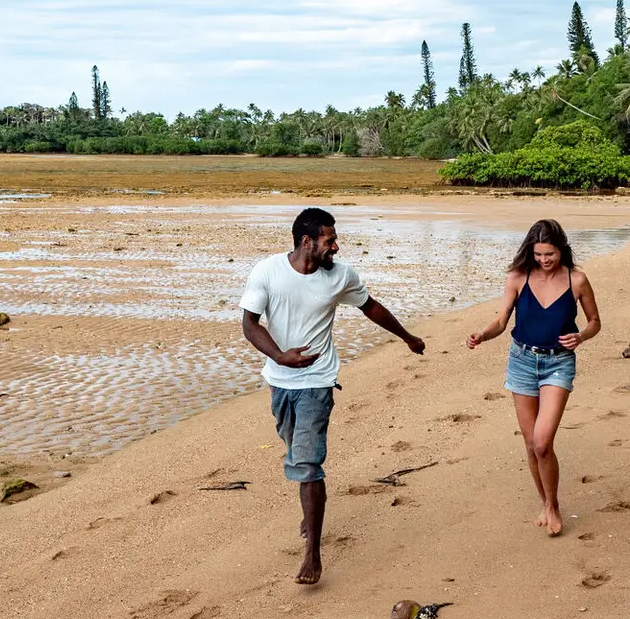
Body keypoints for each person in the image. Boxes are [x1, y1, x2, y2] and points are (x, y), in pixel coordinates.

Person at [240, 207, 424, 584]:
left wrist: (406, 337)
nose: (336, 247)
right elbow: (249, 323)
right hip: (279, 381)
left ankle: (313, 553)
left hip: (318, 382)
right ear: (307, 242)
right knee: (294, 452)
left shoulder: (340, 276)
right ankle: (310, 514)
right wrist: (280, 356)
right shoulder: (267, 272)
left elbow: (370, 306)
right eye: (329, 240)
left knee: (307, 462)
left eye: (334, 239)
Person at [466, 218, 601, 536]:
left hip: (558, 363)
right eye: (539, 254)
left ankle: (552, 504)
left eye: (550, 254)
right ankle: (547, 504)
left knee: (543, 442)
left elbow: (595, 321)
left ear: (561, 250)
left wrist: (581, 336)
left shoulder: (577, 280)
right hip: (522, 362)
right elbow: (501, 322)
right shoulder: (518, 277)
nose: (544, 260)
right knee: (530, 444)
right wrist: (482, 335)